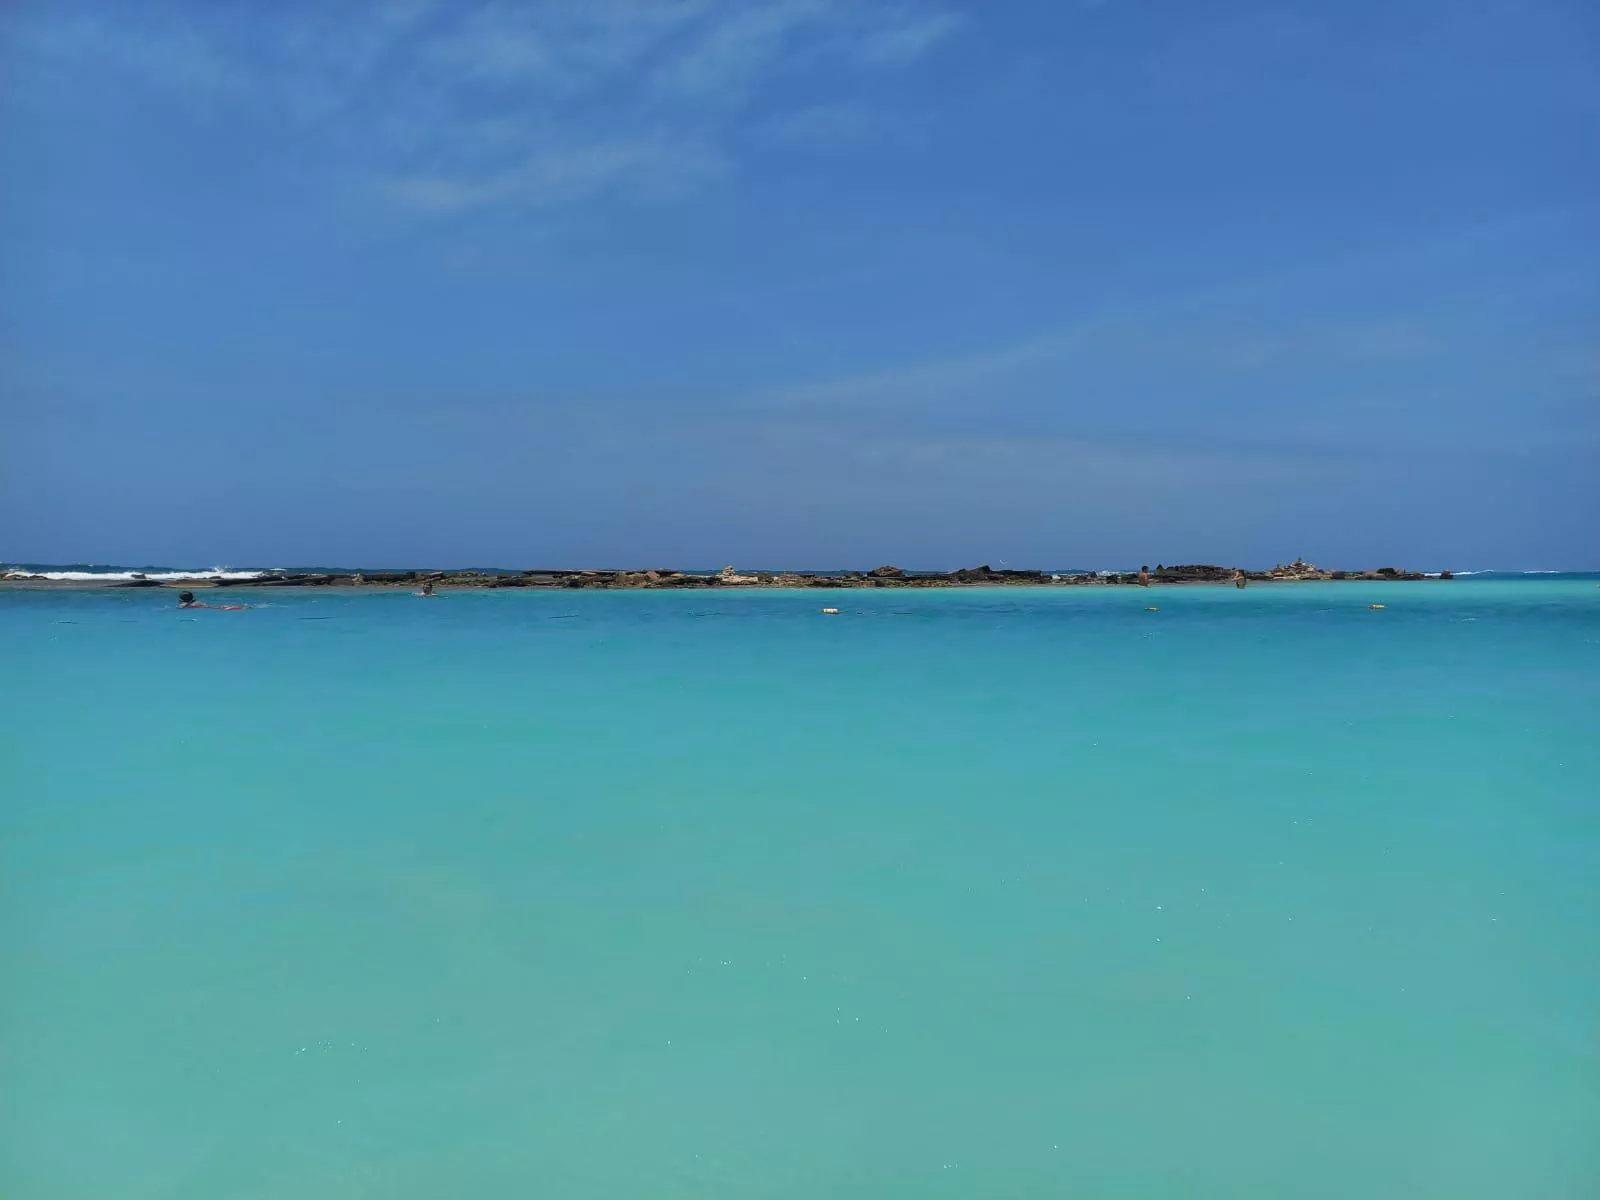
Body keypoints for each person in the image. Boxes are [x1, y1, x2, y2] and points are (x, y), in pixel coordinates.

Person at [177, 590, 248, 611]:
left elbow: (182, 607)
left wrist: (189, 602)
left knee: (223, 608)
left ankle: (242, 607)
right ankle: (242, 607)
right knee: (221, 607)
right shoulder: (195, 602)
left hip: (209, 607)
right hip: (210, 607)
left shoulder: (183, 604)